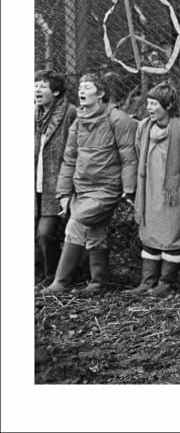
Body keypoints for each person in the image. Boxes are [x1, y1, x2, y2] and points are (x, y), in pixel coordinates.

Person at [44, 72, 138, 295]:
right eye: (80, 88)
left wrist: (129, 189)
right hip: (82, 188)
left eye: (87, 87)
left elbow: (129, 158)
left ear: (101, 93)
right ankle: (97, 283)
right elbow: (69, 158)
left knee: (75, 224)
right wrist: (64, 192)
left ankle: (60, 282)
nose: (81, 91)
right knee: (96, 232)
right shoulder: (79, 120)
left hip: (107, 188)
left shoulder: (117, 119)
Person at [130, 82, 180, 296]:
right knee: (150, 233)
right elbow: (138, 151)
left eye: (154, 104)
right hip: (150, 189)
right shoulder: (144, 127)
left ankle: (166, 282)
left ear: (169, 105)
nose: (149, 108)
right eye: (148, 103)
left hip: (176, 193)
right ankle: (148, 281)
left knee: (173, 234)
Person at [35, 70, 76, 288]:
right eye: (35, 86)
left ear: (56, 91)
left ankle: (54, 276)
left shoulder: (69, 113)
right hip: (35, 182)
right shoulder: (33, 115)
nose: (37, 90)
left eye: (42, 86)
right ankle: (39, 274)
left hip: (56, 184)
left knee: (45, 234)